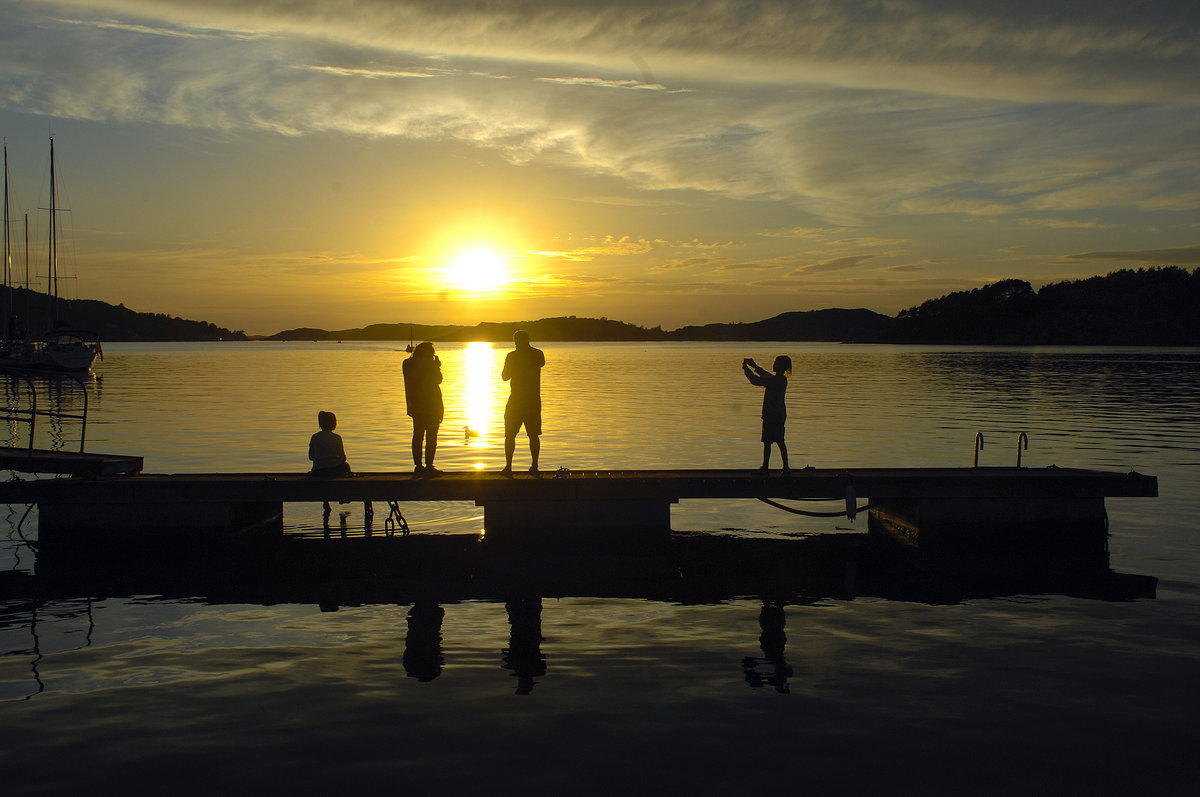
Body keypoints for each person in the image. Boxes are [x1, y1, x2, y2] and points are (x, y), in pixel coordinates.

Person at [501, 329, 545, 475]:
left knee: (511, 435)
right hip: (531, 400)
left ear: (516, 341)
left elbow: (505, 376)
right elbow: (541, 363)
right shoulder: (537, 354)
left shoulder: (512, 356)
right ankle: (534, 466)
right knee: (532, 435)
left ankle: (509, 467)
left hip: (518, 400)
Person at [743, 355, 791, 473]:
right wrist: (754, 365)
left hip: (772, 415)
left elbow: (756, 380)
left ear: (780, 366)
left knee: (768, 442)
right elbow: (765, 375)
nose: (773, 365)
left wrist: (746, 369)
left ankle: (766, 467)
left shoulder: (775, 381)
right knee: (779, 441)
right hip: (778, 414)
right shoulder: (781, 379)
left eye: (775, 363)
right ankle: (785, 467)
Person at [402, 341, 444, 476]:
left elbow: (409, 384)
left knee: (418, 435)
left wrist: (410, 404)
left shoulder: (407, 364)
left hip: (417, 404)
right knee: (431, 437)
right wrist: (436, 366)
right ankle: (429, 465)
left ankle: (418, 466)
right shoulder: (429, 365)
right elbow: (438, 380)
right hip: (431, 404)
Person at [308, 410, 351, 477]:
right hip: (333, 471)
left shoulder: (314, 437)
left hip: (317, 470)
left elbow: (311, 457)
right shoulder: (337, 438)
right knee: (346, 465)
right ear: (332, 423)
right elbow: (343, 458)